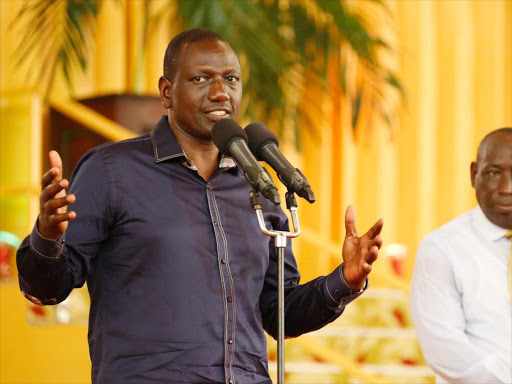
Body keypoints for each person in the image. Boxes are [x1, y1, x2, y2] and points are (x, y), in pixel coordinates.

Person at [17, 28, 383, 384]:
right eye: (201, 79)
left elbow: (279, 312)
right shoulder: (111, 170)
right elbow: (49, 288)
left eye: (232, 79)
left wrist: (346, 279)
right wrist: (47, 237)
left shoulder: (257, 184)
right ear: (166, 91)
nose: (221, 93)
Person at [410, 128, 512, 383]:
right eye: (494, 173)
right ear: (474, 174)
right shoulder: (442, 248)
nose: (507, 188)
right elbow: (444, 350)